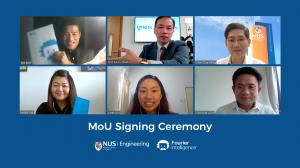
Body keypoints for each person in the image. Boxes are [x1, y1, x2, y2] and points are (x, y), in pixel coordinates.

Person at [111, 16, 189, 64]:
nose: (164, 31)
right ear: (154, 30)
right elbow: (138, 63)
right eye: (160, 27)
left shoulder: (180, 45)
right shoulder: (147, 48)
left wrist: (140, 61)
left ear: (173, 31)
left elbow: (179, 63)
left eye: (169, 28)